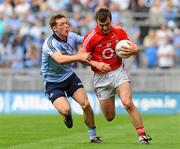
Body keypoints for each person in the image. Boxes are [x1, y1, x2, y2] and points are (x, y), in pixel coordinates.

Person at [81, 7, 152, 144]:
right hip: (101, 78)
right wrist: (96, 64)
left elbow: (133, 47)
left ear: (110, 21)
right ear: (97, 22)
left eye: (107, 24)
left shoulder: (119, 31)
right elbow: (81, 58)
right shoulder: (90, 37)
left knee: (127, 102)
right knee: (109, 117)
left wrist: (135, 50)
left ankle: (142, 135)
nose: (104, 28)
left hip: (118, 72)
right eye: (101, 25)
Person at [40, 14, 103, 143]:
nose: (66, 26)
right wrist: (79, 57)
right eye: (61, 24)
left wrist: (102, 35)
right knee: (66, 109)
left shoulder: (72, 37)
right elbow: (59, 59)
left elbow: (87, 40)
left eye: (66, 23)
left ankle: (93, 136)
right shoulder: (50, 43)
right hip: (53, 82)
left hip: (69, 77)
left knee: (86, 104)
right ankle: (67, 116)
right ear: (54, 28)